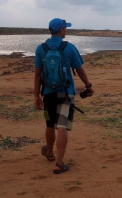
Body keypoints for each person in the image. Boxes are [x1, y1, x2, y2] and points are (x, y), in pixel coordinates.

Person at [34, 18, 94, 174]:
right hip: (66, 93)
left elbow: (37, 74)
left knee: (49, 124)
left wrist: (36, 96)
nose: (66, 30)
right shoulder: (69, 48)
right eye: (65, 28)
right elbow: (80, 70)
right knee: (62, 126)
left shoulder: (41, 48)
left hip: (47, 93)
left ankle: (50, 154)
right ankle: (59, 164)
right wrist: (88, 86)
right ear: (60, 30)